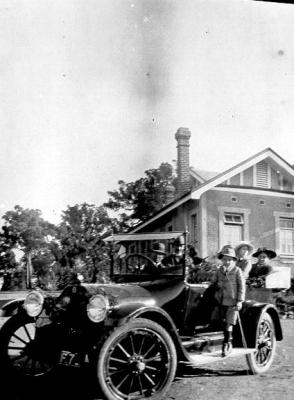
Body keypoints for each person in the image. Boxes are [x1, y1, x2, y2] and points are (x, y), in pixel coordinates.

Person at [212, 245, 245, 357]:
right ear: (222, 260)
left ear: (233, 260)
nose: (227, 262)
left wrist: (240, 301)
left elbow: (241, 287)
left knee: (229, 323)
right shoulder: (218, 271)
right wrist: (217, 284)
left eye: (229, 259)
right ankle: (224, 341)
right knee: (221, 322)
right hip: (220, 301)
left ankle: (227, 343)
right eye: (225, 259)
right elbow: (213, 283)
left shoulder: (237, 271)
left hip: (232, 302)